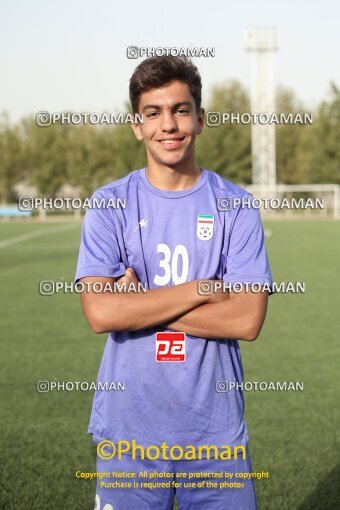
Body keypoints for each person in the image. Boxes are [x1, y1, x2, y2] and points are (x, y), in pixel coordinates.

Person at [75, 55, 272, 510]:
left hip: (215, 436)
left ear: (201, 119)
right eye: (153, 113)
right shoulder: (109, 205)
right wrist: (203, 289)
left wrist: (139, 304)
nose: (169, 124)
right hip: (129, 435)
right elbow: (101, 313)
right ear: (136, 125)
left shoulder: (236, 207)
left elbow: (246, 319)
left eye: (181, 110)